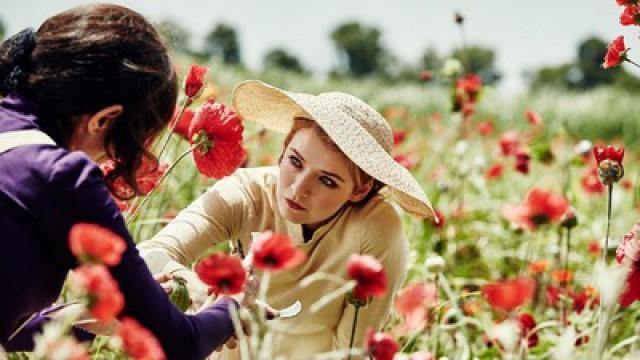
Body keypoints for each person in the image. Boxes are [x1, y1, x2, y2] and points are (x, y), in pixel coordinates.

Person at [0, 5, 243, 359]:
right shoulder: (62, 177)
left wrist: (95, 314)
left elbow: (8, 328)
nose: (112, 162)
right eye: (132, 143)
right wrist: (236, 307)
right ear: (104, 120)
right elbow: (179, 345)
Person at [138, 80, 435, 359]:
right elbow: (148, 253)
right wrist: (197, 287)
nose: (298, 189)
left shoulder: (376, 228)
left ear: (360, 190)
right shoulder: (248, 192)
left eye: (327, 181)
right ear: (284, 148)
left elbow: (351, 352)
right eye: (295, 162)